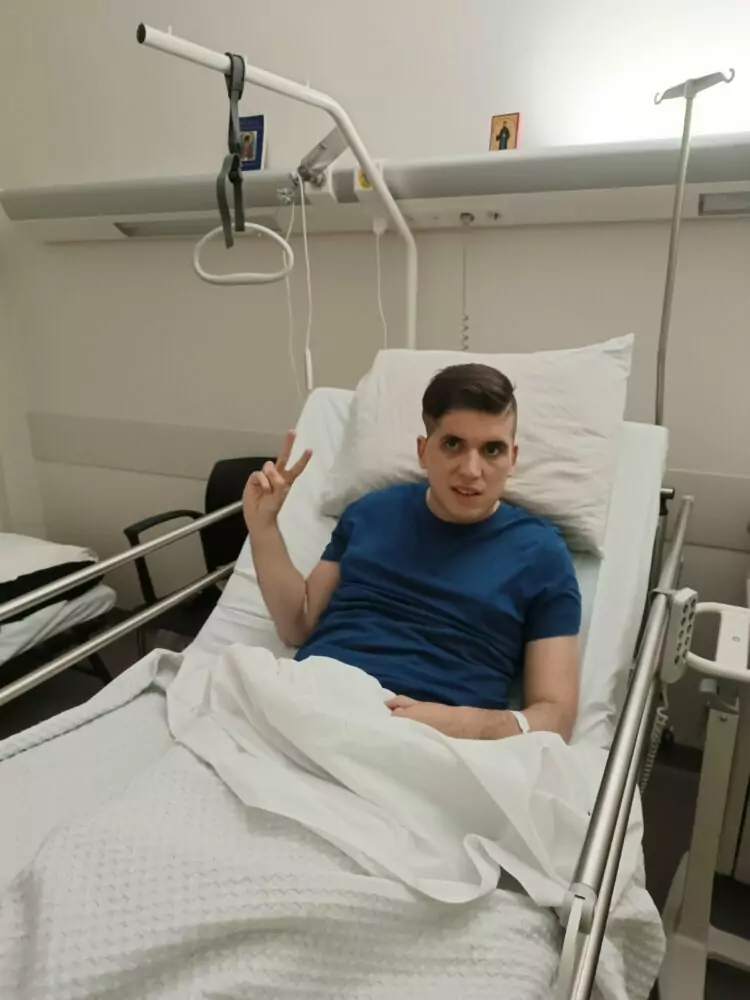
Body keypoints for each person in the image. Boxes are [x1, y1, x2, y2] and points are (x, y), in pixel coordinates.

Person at [243, 364, 581, 741]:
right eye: (453, 444)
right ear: (423, 450)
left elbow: (555, 716)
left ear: (512, 458)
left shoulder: (542, 555)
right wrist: (264, 527)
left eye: (492, 450)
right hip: (310, 704)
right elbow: (298, 625)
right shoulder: (370, 513)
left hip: (436, 742)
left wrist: (460, 723)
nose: (472, 470)